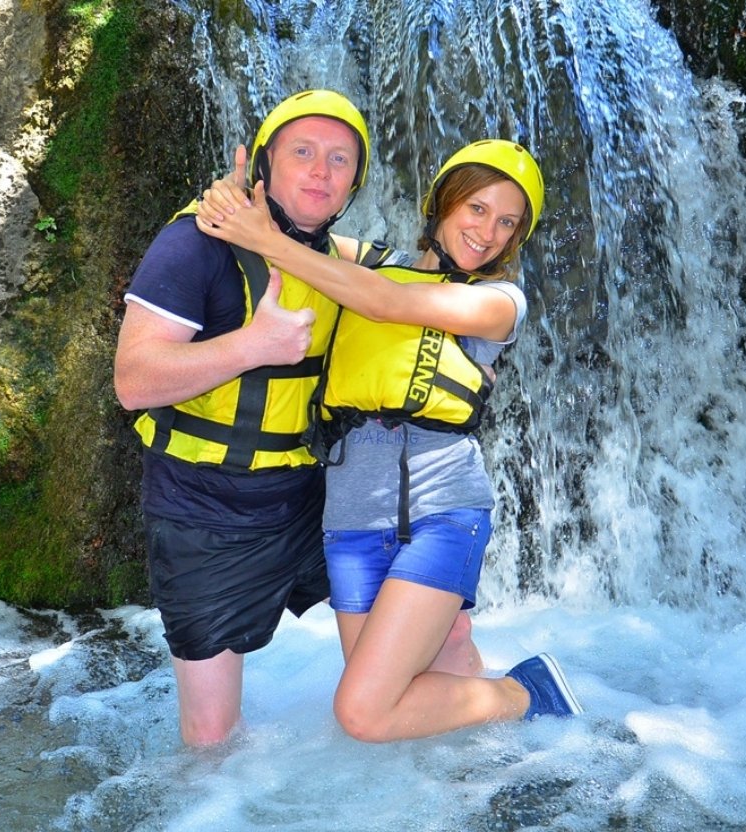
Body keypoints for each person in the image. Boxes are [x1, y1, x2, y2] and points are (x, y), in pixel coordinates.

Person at [113, 90, 474, 747]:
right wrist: (252, 346)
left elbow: (436, 275)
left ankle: (479, 754)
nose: (320, 171)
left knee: (443, 628)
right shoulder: (196, 243)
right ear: (263, 164)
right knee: (211, 737)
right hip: (206, 508)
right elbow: (133, 380)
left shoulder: (344, 260)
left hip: (319, 499)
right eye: (302, 152)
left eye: (339, 160)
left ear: (354, 182)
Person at [196, 139, 584, 742]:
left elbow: (385, 303)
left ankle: (529, 692)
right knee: (410, 692)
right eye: (477, 209)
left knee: (364, 711)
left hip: (443, 510)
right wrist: (238, 201)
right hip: (352, 518)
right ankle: (481, 759)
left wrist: (263, 239)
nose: (488, 233)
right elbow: (306, 229)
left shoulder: (500, 302)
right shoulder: (374, 262)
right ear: (443, 203)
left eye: (508, 223)